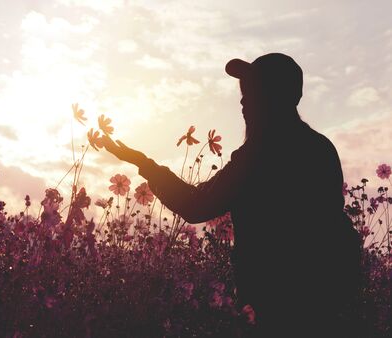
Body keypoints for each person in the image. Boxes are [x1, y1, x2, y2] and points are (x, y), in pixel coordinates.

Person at [102, 53, 362, 337]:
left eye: (252, 92)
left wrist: (144, 164)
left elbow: (195, 205)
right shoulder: (321, 148)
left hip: (272, 309)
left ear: (274, 97)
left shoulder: (260, 155)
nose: (242, 101)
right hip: (327, 306)